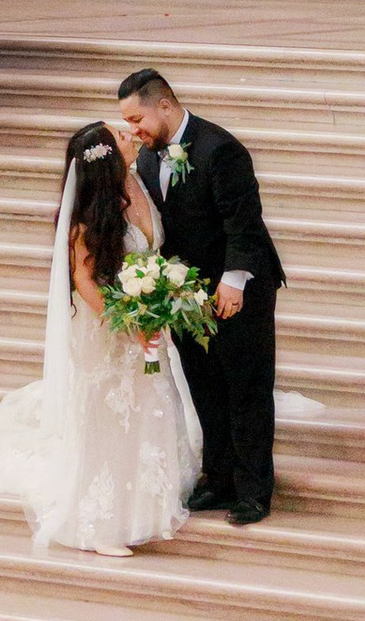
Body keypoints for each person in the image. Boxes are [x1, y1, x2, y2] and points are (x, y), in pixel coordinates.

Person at [0, 114, 202, 553]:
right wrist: (127, 322)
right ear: (107, 158)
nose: (130, 133)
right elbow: (86, 281)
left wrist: (159, 305)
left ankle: (150, 503)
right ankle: (100, 524)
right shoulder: (87, 220)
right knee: (111, 418)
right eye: (120, 134)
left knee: (153, 403)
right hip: (109, 331)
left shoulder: (139, 183)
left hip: (144, 327)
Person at [116, 66, 286, 523]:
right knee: (205, 385)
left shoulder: (220, 149)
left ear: (165, 106)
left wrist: (234, 280)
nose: (134, 130)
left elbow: (243, 220)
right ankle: (220, 478)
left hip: (238, 288)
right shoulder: (150, 156)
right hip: (186, 294)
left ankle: (253, 491)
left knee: (245, 387)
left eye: (137, 119)